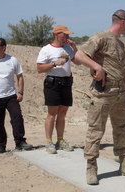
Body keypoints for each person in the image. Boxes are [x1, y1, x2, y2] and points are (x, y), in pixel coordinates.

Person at [75, 9, 125, 185]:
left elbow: (122, 70)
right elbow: (79, 55)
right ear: (122, 22)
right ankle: (91, 167)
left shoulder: (120, 44)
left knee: (122, 128)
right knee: (95, 131)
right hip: (102, 94)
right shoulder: (101, 37)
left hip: (120, 93)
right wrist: (97, 67)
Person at [0, 38, 33, 154]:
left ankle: (20, 142)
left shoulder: (13, 60)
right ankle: (0, 146)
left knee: (17, 118)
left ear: (4, 47)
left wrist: (20, 92)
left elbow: (20, 76)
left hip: (11, 96)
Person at [36, 25, 80, 154]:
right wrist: (54, 64)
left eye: (68, 35)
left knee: (63, 112)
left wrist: (74, 48)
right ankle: (49, 142)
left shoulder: (67, 48)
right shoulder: (46, 49)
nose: (67, 37)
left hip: (66, 83)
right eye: (65, 34)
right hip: (53, 83)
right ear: (56, 34)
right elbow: (39, 68)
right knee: (52, 113)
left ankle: (60, 140)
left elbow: (77, 62)